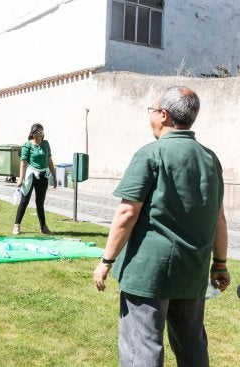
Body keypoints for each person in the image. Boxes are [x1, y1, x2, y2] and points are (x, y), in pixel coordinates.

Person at [92, 86, 230, 367]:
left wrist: (106, 260)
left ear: (163, 115)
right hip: (192, 271)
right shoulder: (210, 158)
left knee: (141, 348)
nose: (151, 116)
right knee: (192, 347)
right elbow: (219, 218)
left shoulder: (151, 154)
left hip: (148, 274)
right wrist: (220, 264)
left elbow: (127, 213)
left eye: (152, 110)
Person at [12, 123, 57, 235]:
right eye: (36, 132)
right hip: (30, 175)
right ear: (32, 134)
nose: (39, 135)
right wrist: (20, 179)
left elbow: (50, 161)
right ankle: (16, 225)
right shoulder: (27, 145)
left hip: (42, 176)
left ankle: (43, 227)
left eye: (41, 132)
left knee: (40, 203)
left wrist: (54, 177)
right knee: (24, 200)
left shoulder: (46, 144)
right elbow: (23, 162)